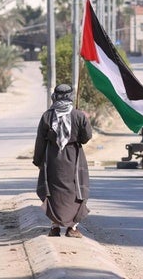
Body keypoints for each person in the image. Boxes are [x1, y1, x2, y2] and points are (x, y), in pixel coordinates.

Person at [33, 84, 93, 238]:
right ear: (70, 97)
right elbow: (86, 138)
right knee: (75, 191)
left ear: (55, 96)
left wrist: (38, 160)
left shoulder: (47, 116)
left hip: (53, 158)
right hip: (74, 158)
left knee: (54, 192)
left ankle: (54, 227)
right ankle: (72, 229)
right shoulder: (79, 116)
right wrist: (83, 121)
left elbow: (40, 140)